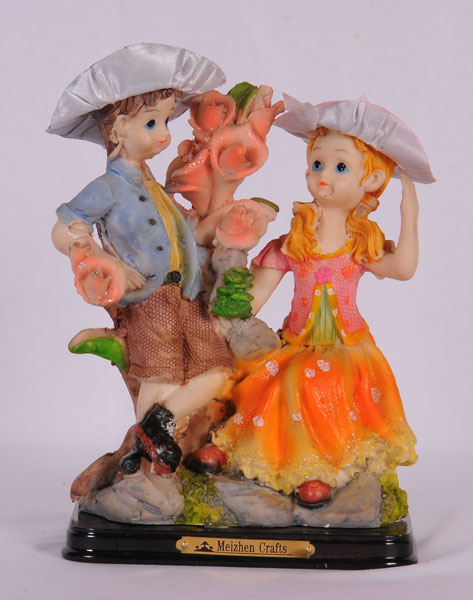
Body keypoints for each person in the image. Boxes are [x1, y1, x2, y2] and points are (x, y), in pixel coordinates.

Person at [211, 96, 435, 507]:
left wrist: (410, 214)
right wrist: (230, 285)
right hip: (297, 341)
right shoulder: (293, 242)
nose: (323, 176)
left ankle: (321, 469)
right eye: (317, 164)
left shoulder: (359, 243)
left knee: (318, 383)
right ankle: (235, 449)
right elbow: (254, 299)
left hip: (347, 346)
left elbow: (403, 268)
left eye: (340, 167)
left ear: (371, 180)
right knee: (267, 381)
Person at [48, 44, 233, 478]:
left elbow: (181, 236)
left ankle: (150, 433)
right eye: (152, 123)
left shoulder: (155, 186)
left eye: (166, 121)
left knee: (218, 372)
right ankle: (146, 467)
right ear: (118, 130)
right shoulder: (109, 187)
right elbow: (64, 228)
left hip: (186, 295)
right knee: (159, 378)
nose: (163, 133)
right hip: (149, 299)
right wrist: (97, 257)